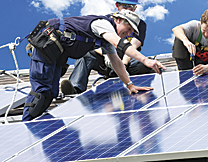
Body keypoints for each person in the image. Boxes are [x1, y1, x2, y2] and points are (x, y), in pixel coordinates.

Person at [22, 9, 166, 121]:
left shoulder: (105, 40)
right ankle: (26, 127)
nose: (127, 34)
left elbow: (116, 61)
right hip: (46, 46)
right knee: (41, 93)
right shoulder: (102, 24)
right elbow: (119, 43)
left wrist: (129, 85)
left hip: (56, 54)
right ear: (119, 20)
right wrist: (146, 61)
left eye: (131, 33)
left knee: (51, 93)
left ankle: (35, 130)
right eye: (128, 29)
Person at [61, 0, 152, 95]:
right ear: (117, 6)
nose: (128, 9)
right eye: (125, 6)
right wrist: (106, 55)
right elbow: (100, 42)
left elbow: (133, 46)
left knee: (146, 63)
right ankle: (75, 89)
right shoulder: (107, 20)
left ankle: (142, 84)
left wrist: (123, 64)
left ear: (135, 8)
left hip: (127, 61)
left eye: (131, 6)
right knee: (85, 55)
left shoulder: (139, 25)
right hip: (107, 60)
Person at [172, 9, 208, 75]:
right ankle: (185, 73)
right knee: (179, 38)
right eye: (204, 30)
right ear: (200, 22)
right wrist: (186, 41)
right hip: (190, 65)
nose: (206, 35)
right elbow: (176, 29)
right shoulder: (195, 26)